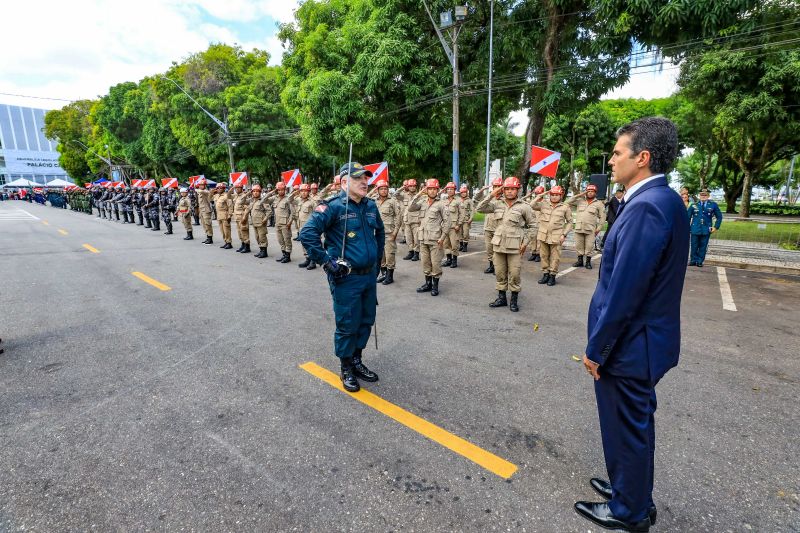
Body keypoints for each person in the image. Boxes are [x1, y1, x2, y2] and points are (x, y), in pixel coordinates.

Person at [576, 116, 688, 533]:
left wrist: (596, 350)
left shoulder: (646, 206)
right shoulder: (663, 200)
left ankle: (629, 511)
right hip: (641, 342)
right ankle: (631, 490)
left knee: (627, 427)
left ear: (641, 158)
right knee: (634, 426)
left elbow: (625, 293)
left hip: (628, 346)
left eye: (617, 152)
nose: (610, 160)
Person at [299, 162, 383, 393]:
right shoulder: (333, 207)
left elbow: (380, 234)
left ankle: (357, 360)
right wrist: (327, 262)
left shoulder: (371, 206)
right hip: (347, 279)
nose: (365, 182)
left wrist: (377, 263)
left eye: (366, 178)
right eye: (358, 179)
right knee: (348, 324)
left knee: (366, 320)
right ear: (344, 182)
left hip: (368, 278)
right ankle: (346, 366)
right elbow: (307, 234)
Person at [476, 177, 536, 312]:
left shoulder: (524, 207)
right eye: (507, 189)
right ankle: (501, 298)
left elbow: (533, 226)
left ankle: (514, 300)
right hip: (498, 244)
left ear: (518, 190)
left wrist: (526, 242)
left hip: (515, 246)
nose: (509, 192)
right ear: (503, 190)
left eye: (512, 189)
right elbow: (479, 208)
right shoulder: (497, 204)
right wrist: (491, 195)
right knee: (500, 272)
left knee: (514, 273)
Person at [407, 179, 450, 296]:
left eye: (434, 189)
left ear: (437, 190)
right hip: (423, 238)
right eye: (429, 188)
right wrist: (419, 194)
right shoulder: (422, 202)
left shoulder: (442, 204)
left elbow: (447, 222)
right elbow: (410, 208)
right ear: (426, 189)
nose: (432, 191)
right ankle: (428, 284)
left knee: (435, 264)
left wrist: (442, 238)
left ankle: (435, 286)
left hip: (436, 239)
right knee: (425, 263)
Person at [530, 186, 572, 286]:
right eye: (552, 195)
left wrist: (564, 234)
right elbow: (531, 205)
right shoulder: (543, 204)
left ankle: (552, 276)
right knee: (543, 256)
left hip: (557, 236)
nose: (554, 197)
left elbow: (570, 222)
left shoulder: (565, 207)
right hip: (543, 235)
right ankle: (545, 274)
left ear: (561, 196)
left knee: (555, 257)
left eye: (556, 195)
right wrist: (541, 194)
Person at [566, 184, 606, 269]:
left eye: (592, 192)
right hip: (579, 228)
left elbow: (602, 217)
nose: (590, 193)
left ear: (595, 193)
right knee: (578, 245)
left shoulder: (599, 204)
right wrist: (580, 194)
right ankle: (580, 261)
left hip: (591, 229)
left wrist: (599, 228)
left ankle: (588, 262)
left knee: (589, 246)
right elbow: (568, 201)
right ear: (586, 192)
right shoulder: (580, 201)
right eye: (589, 191)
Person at [372, 179, 401, 284]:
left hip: (389, 233)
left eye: (385, 189)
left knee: (389, 255)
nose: (384, 191)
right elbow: (364, 198)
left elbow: (399, 216)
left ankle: (390, 277)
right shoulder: (374, 201)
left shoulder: (393, 201)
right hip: (377, 233)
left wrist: (395, 232)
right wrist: (373, 191)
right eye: (381, 189)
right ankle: (383, 274)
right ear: (377, 190)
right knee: (381, 255)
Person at [474, 177, 504, 273]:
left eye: (499, 186)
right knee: (489, 249)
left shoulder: (505, 200)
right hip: (488, 228)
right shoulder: (488, 197)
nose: (497, 188)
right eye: (495, 186)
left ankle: (498, 267)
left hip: (498, 229)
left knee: (498, 250)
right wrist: (482, 191)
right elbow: (476, 200)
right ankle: (491, 266)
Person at [687, 188, 722, 267]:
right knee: (694, 245)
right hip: (695, 229)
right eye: (702, 195)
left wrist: (716, 227)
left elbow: (719, 217)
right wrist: (687, 228)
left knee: (703, 246)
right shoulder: (693, 205)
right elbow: (687, 217)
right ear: (699, 195)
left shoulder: (713, 204)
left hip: (706, 229)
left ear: (708, 195)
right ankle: (693, 260)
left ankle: (700, 261)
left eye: (705, 195)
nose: (703, 196)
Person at [270, 182, 295, 263]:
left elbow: (293, 212)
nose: (280, 191)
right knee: (280, 240)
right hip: (277, 223)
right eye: (279, 190)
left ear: (285, 190)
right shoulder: (275, 198)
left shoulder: (288, 199)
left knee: (287, 240)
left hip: (285, 224)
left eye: (282, 190)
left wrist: (290, 222)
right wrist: (272, 192)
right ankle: (284, 255)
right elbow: (264, 200)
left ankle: (288, 256)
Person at [441, 182, 464, 268]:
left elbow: (462, 214)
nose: (450, 191)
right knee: (446, 244)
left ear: (455, 190)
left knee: (454, 245)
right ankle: (448, 260)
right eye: (448, 189)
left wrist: (459, 224)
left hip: (454, 227)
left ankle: (454, 261)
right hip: (445, 227)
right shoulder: (444, 200)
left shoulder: (459, 201)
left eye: (451, 189)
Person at [246, 184, 271, 258]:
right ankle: (261, 250)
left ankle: (264, 252)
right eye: (254, 191)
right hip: (254, 222)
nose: (255, 193)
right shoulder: (252, 201)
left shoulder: (263, 200)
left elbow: (269, 211)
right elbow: (243, 201)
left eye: (257, 191)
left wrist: (265, 219)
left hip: (261, 222)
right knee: (257, 237)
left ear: (260, 192)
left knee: (262, 237)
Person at [399, 179, 421, 261]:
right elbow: (395, 194)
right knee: (408, 238)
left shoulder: (419, 196)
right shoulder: (405, 195)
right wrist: (403, 187)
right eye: (410, 186)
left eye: (413, 186)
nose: (412, 187)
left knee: (416, 239)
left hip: (416, 220)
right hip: (407, 220)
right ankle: (410, 252)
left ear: (415, 187)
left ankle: (416, 253)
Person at [232, 182, 251, 253]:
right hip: (237, 217)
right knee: (240, 232)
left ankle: (247, 247)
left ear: (241, 188)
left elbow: (247, 207)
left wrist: (245, 217)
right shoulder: (236, 196)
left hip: (242, 217)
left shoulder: (244, 196)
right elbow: (228, 196)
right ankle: (243, 245)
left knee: (244, 231)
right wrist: (232, 188)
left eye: (238, 188)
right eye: (236, 188)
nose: (237, 189)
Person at [213, 183, 234, 249]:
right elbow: (209, 198)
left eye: (221, 188)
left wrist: (230, 215)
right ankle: (225, 242)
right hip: (219, 215)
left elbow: (230, 206)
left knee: (226, 230)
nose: (219, 189)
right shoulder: (216, 196)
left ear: (224, 189)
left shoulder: (226, 196)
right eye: (218, 188)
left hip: (225, 215)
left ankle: (229, 243)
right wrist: (212, 191)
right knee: (222, 230)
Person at [195, 178, 214, 245]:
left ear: (205, 185)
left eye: (202, 185)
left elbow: (206, 192)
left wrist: (196, 189)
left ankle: (210, 238)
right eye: (199, 185)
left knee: (208, 224)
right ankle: (207, 236)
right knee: (204, 224)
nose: (200, 186)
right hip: (202, 211)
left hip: (206, 210)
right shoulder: (200, 192)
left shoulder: (206, 191)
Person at [459, 184, 473, 252]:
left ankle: (465, 246)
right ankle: (461, 245)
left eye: (465, 192)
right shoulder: (458, 200)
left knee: (465, 234)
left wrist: (471, 218)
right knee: (459, 233)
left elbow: (472, 210)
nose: (463, 194)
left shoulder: (469, 200)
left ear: (466, 193)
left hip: (466, 220)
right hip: (459, 220)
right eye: (462, 192)